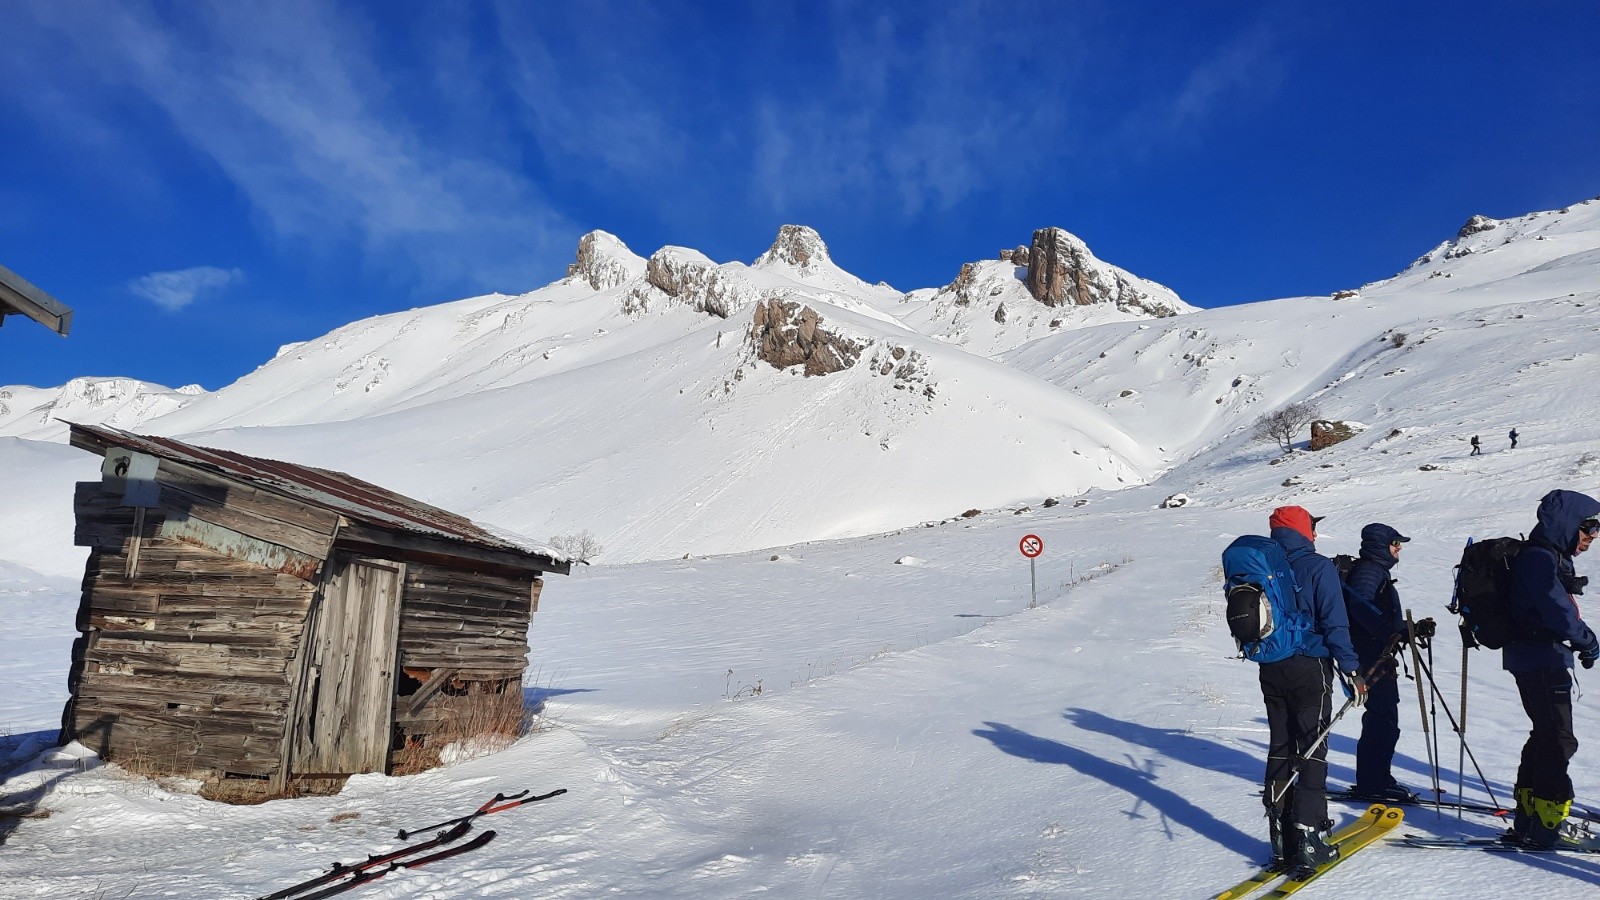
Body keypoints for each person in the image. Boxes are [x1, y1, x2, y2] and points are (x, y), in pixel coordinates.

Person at [1261, 506, 1365, 871]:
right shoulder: (1318, 567)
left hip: (1270, 667)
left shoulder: (1263, 564)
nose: (1316, 534)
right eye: (1312, 527)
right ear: (1303, 530)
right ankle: (1310, 839)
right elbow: (1335, 623)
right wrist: (1352, 670)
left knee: (1280, 747)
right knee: (1311, 749)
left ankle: (1280, 840)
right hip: (1310, 668)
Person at [1502, 490, 1600, 848]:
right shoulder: (1540, 559)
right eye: (1588, 526)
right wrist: (1586, 639)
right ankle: (1547, 822)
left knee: (1544, 734)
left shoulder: (1546, 556)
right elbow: (1556, 610)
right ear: (1567, 524)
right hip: (1540, 658)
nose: (1593, 535)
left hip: (1535, 656)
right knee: (1559, 738)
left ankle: (1530, 815)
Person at [1341, 523, 1434, 802]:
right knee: (1382, 718)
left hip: (1375, 652)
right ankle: (1373, 782)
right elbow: (1360, 607)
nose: (1399, 547)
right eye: (1395, 542)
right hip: (1370, 655)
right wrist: (1392, 633)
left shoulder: (1375, 571)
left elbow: (1373, 611)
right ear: (1379, 545)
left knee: (1383, 717)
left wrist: (1409, 628)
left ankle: (1377, 778)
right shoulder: (1369, 571)